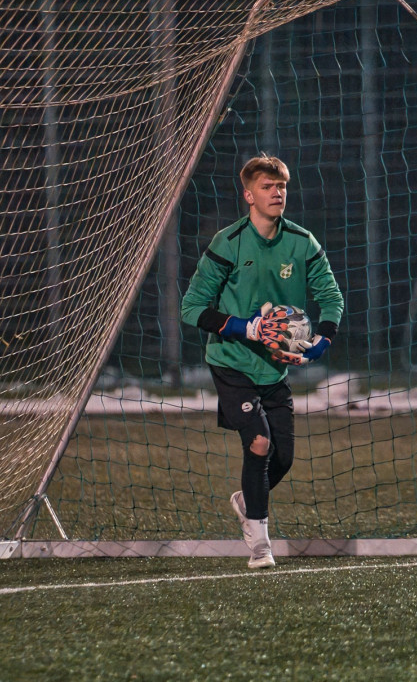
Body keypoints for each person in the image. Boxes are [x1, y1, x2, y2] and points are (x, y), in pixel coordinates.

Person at [180, 154, 344, 568]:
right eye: (267, 187)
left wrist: (320, 342)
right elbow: (192, 308)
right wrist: (247, 328)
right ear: (249, 196)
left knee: (281, 459)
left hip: (274, 369)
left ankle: (247, 500)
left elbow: (331, 298)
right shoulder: (228, 243)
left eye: (281, 186)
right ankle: (260, 546)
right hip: (231, 361)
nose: (277, 193)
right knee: (259, 442)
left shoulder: (302, 242)